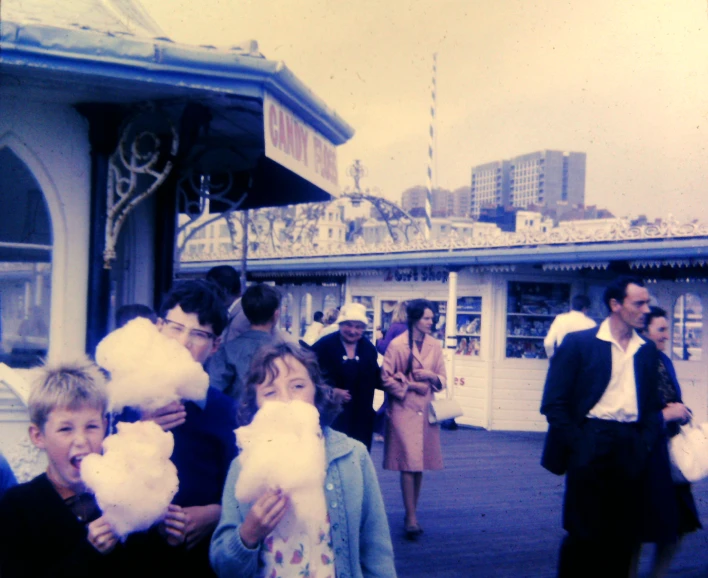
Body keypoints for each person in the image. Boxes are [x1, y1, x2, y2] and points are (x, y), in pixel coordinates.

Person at [209, 342, 397, 578]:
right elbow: (224, 566)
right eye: (270, 392)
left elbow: (376, 549)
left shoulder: (352, 456)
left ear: (317, 392)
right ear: (255, 403)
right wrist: (247, 534)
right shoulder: (243, 466)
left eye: (297, 386)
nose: (286, 399)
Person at [540, 276, 677, 578]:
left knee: (624, 535)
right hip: (591, 439)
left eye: (647, 303)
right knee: (583, 533)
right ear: (615, 305)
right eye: (638, 303)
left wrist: (643, 442)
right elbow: (553, 402)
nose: (645, 310)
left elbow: (652, 405)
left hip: (631, 444)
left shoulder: (646, 351)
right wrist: (579, 444)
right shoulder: (581, 344)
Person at [0, 358, 185, 577]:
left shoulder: (127, 494)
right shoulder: (17, 506)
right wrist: (89, 553)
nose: (81, 440)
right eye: (65, 429)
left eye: (91, 427)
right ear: (38, 436)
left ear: (105, 427)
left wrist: (168, 542)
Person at [120, 279, 237, 577]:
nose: (184, 342)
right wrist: (141, 429)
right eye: (175, 327)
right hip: (133, 553)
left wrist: (217, 513)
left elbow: (241, 487)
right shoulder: (125, 399)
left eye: (198, 334)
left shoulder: (225, 411)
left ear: (215, 345)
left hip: (197, 557)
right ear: (159, 328)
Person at [630, 306, 701, 578]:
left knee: (676, 528)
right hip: (645, 457)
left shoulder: (665, 361)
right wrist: (665, 415)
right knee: (636, 531)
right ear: (644, 333)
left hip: (670, 456)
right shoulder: (633, 364)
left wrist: (682, 413)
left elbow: (673, 397)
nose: (667, 336)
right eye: (661, 330)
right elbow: (630, 414)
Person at [382, 299, 446, 540]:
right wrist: (409, 387)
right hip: (404, 409)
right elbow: (385, 378)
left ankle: (412, 511)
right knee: (409, 461)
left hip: (426, 410)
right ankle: (410, 517)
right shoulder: (397, 346)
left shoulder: (435, 346)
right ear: (414, 319)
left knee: (419, 463)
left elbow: (442, 379)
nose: (431, 322)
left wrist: (430, 376)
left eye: (432, 318)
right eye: (427, 318)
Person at [311, 302, 382, 451]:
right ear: (340, 324)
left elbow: (375, 377)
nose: (353, 331)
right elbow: (309, 377)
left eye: (358, 327)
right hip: (332, 417)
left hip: (361, 417)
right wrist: (330, 391)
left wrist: (393, 379)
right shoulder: (324, 346)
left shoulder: (368, 349)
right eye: (348, 325)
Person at [208, 283, 281, 402]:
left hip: (234, 417)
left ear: (246, 313)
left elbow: (213, 390)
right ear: (276, 315)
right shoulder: (285, 352)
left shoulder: (226, 351)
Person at [206, 265, 246, 341]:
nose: (210, 292)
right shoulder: (234, 312)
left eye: (212, 288)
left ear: (225, 289)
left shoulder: (243, 314)